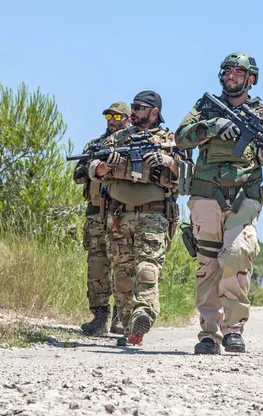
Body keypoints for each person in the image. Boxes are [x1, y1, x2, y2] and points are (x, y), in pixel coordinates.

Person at [175, 52, 263, 355]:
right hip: (207, 194)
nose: (231, 76)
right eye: (228, 71)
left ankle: (234, 329)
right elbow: (180, 138)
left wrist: (258, 142)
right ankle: (209, 333)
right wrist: (213, 126)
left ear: (251, 79)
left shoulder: (262, 113)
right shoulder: (205, 106)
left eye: (239, 72)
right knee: (208, 265)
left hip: (244, 198)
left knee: (236, 256)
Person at [88, 90, 181, 346]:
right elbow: (91, 167)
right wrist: (105, 166)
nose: (135, 111)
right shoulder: (118, 138)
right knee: (122, 274)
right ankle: (131, 328)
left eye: (139, 107)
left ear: (154, 112)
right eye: (133, 106)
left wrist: (169, 161)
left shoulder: (169, 140)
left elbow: (187, 174)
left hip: (153, 214)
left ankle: (145, 311)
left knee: (147, 268)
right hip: (119, 215)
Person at [73, 102, 130, 336]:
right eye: (108, 115)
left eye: (117, 115)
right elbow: (77, 174)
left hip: (122, 213)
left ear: (127, 118)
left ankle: (121, 316)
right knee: (97, 266)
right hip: (96, 214)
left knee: (123, 265)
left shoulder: (133, 143)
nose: (111, 119)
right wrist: (96, 167)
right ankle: (99, 317)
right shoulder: (95, 145)